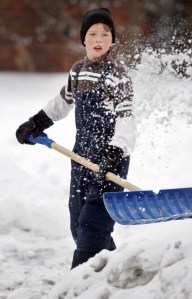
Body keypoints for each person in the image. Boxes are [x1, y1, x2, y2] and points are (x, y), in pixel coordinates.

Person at [16, 8, 136, 269]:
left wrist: (115, 152)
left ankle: (78, 284)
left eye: (106, 34)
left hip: (109, 163)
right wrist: (36, 122)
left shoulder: (118, 76)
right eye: (93, 33)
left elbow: (127, 118)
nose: (99, 38)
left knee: (92, 224)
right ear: (83, 39)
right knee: (78, 222)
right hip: (81, 157)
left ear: (112, 41)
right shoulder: (78, 71)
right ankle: (113, 270)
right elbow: (62, 102)